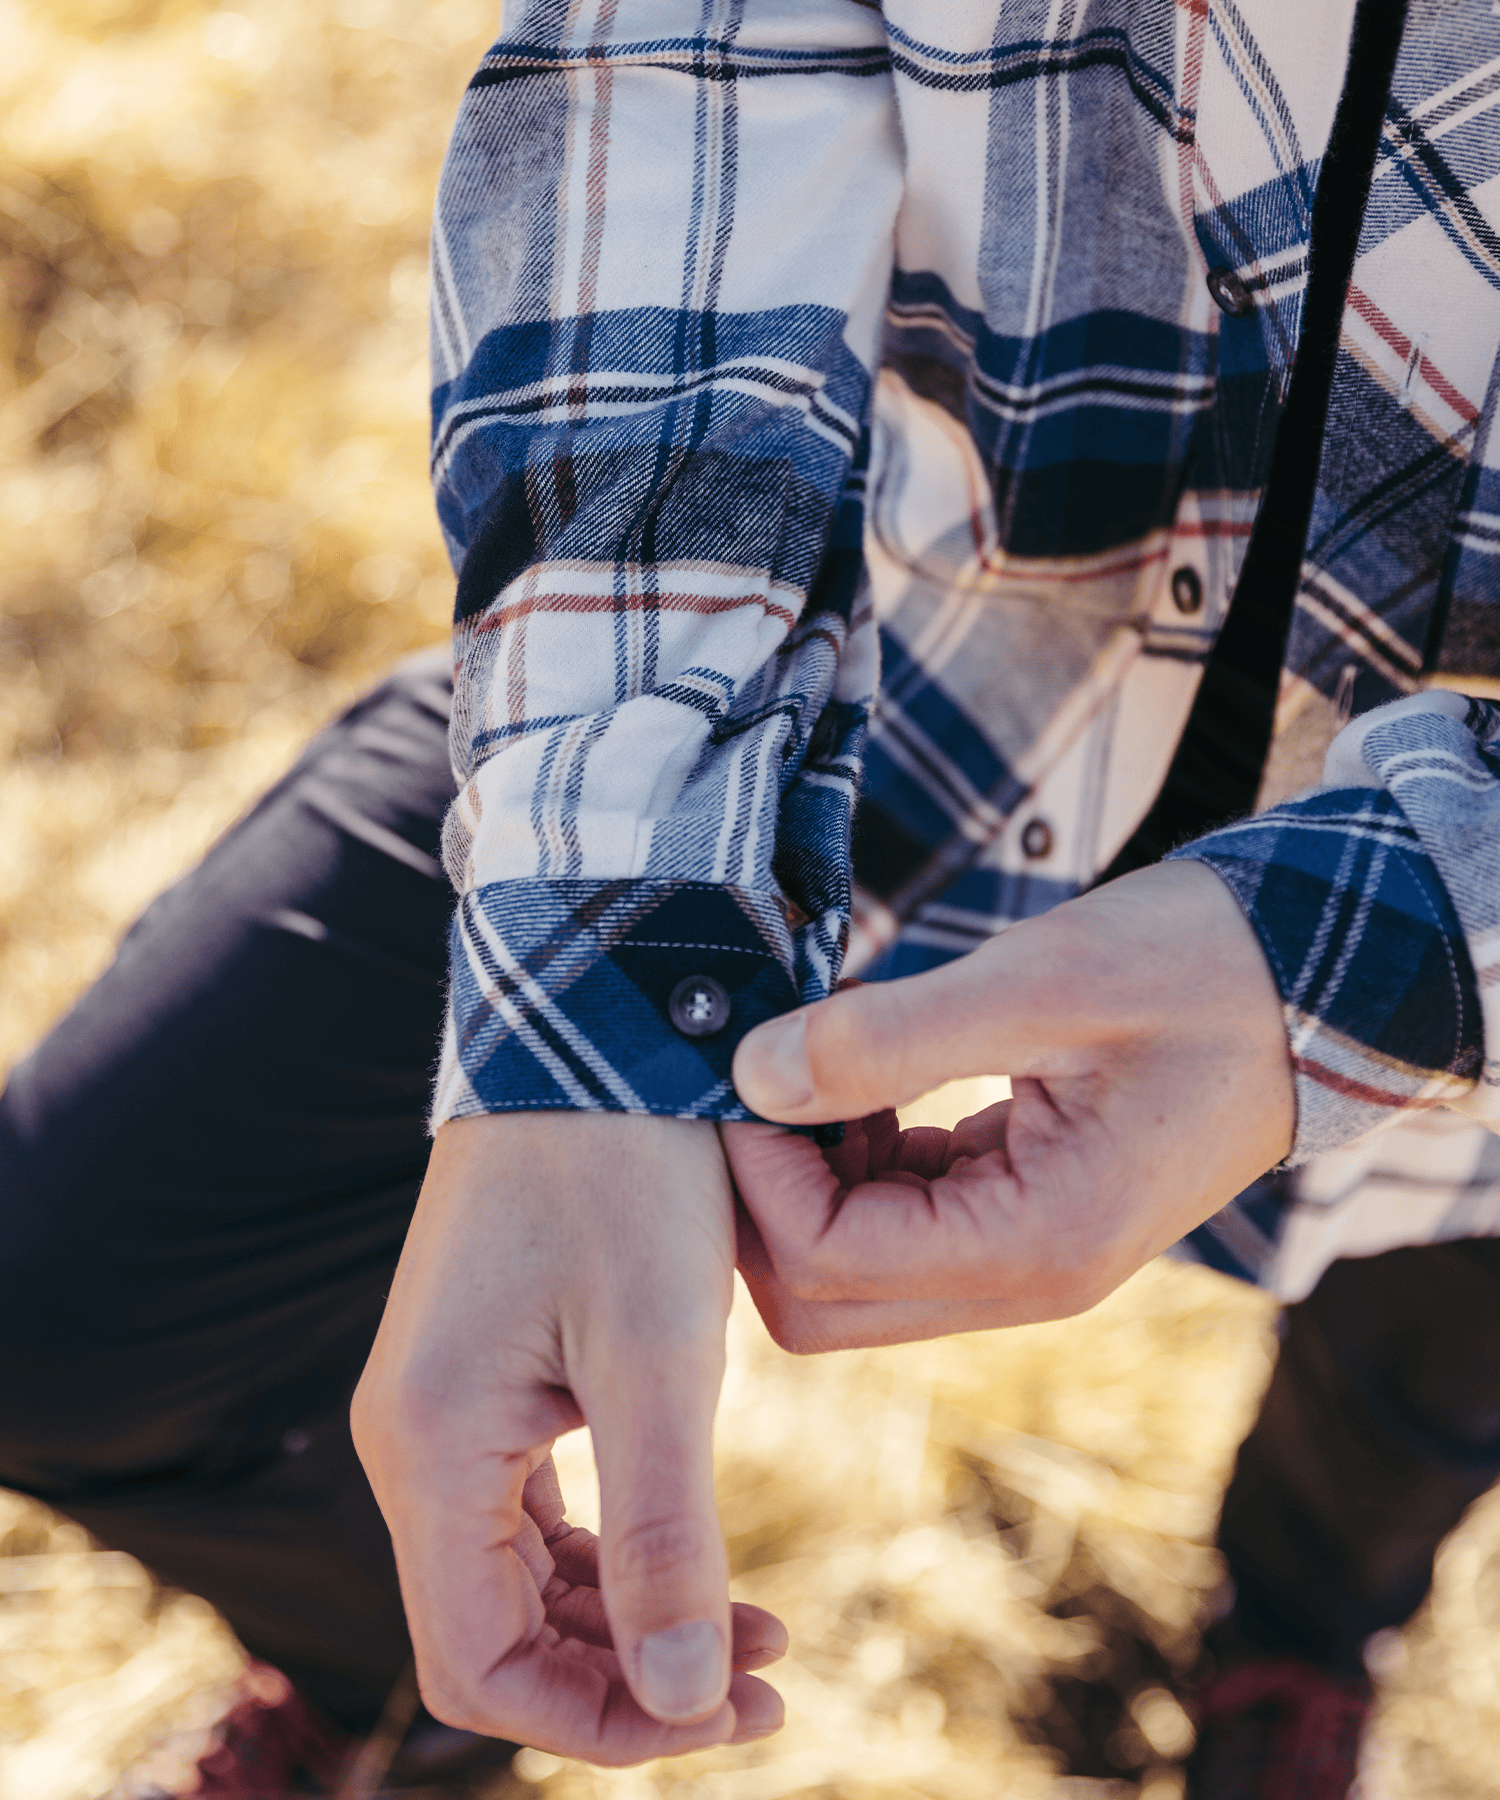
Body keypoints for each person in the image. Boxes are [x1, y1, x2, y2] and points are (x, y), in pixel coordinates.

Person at [2, 0, 1497, 1795]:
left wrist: (1404, 940)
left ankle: (1295, 1648)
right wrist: (604, 920)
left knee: (1422, 1385)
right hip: (818, 672)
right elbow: (692, 49)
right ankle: (397, 1684)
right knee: (61, 1310)